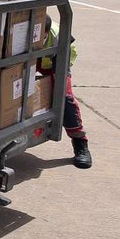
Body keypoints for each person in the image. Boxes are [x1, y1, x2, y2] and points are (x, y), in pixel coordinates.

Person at [39, 14, 91, 168]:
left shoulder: (59, 37)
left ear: (46, 33)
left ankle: (80, 143)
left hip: (57, 60)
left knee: (63, 97)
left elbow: (59, 68)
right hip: (36, 59)